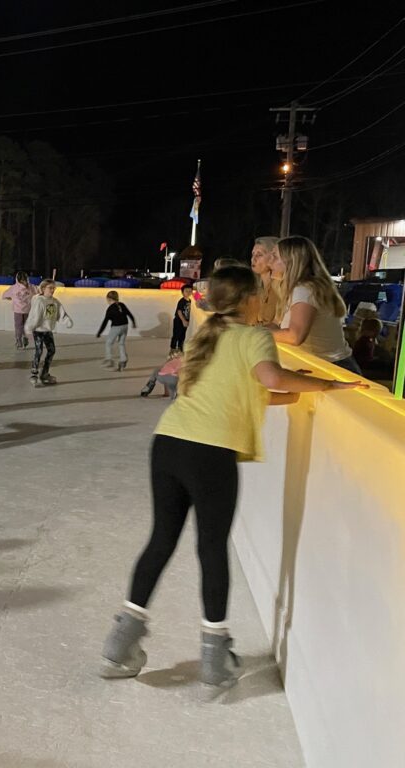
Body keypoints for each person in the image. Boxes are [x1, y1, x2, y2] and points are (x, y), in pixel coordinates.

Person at [98, 266, 365, 689]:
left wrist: (293, 394)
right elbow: (270, 378)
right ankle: (215, 655)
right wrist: (330, 385)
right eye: (259, 293)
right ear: (247, 299)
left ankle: (120, 642)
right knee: (211, 547)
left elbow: (233, 390)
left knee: (161, 539)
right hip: (210, 453)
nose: (263, 298)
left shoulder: (206, 336)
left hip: (168, 443)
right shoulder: (253, 336)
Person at [268, 236, 360, 374]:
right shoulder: (298, 288)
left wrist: (257, 335)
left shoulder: (304, 290)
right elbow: (276, 324)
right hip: (328, 365)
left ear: (292, 261)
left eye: (275, 256)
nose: (270, 262)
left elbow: (294, 336)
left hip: (332, 368)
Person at [24, 279, 69, 386]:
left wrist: (66, 320)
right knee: (39, 351)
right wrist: (29, 327)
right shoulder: (39, 301)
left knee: (52, 350)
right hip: (38, 330)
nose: (53, 290)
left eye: (54, 288)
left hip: (48, 330)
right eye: (50, 288)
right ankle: (34, 373)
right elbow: (34, 316)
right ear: (43, 288)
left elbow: (60, 312)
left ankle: (44, 373)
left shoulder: (54, 301)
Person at [96, 290, 137, 371]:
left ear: (108, 299)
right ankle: (123, 359)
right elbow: (129, 314)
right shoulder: (122, 305)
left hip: (116, 327)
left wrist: (99, 332)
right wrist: (133, 322)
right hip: (125, 326)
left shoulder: (110, 309)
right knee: (121, 343)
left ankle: (109, 360)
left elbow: (105, 321)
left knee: (108, 343)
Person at [2, 271, 36, 350]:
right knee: (25, 325)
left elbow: (4, 295)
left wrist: (11, 298)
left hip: (17, 310)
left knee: (18, 326)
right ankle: (24, 338)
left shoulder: (14, 288)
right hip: (27, 309)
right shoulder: (31, 287)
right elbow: (38, 292)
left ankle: (19, 340)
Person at [250, 237, 279, 325]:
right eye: (252, 254)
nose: (253, 259)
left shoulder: (277, 289)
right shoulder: (258, 289)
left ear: (273, 257)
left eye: (259, 255)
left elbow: (268, 322)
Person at [171, 284, 193, 352]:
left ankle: (180, 348)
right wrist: (183, 321)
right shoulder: (182, 301)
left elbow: (198, 297)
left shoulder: (190, 300)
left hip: (185, 321)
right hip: (179, 320)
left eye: (190, 291)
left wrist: (187, 321)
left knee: (182, 336)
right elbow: (179, 311)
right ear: (182, 292)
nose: (188, 292)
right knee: (176, 335)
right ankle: (173, 349)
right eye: (186, 291)